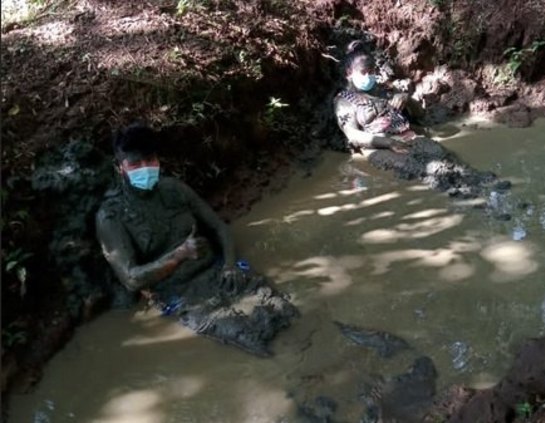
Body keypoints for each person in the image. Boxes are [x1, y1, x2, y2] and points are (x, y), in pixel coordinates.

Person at [96, 123, 298, 356]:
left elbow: (219, 228)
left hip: (218, 271)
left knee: (284, 310)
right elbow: (131, 279)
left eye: (150, 160)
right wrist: (179, 255)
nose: (145, 168)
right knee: (247, 338)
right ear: (120, 168)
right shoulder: (111, 217)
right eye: (135, 164)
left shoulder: (174, 189)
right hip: (180, 294)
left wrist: (230, 265)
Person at [333, 41, 505, 200]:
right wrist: (388, 143)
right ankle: (463, 198)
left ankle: (477, 180)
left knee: (440, 154)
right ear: (349, 73)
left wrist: (407, 99)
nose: (369, 76)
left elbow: (421, 114)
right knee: (419, 168)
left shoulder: (383, 89)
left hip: (408, 135)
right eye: (364, 72)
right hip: (378, 146)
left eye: (372, 71)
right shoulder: (344, 101)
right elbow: (353, 135)